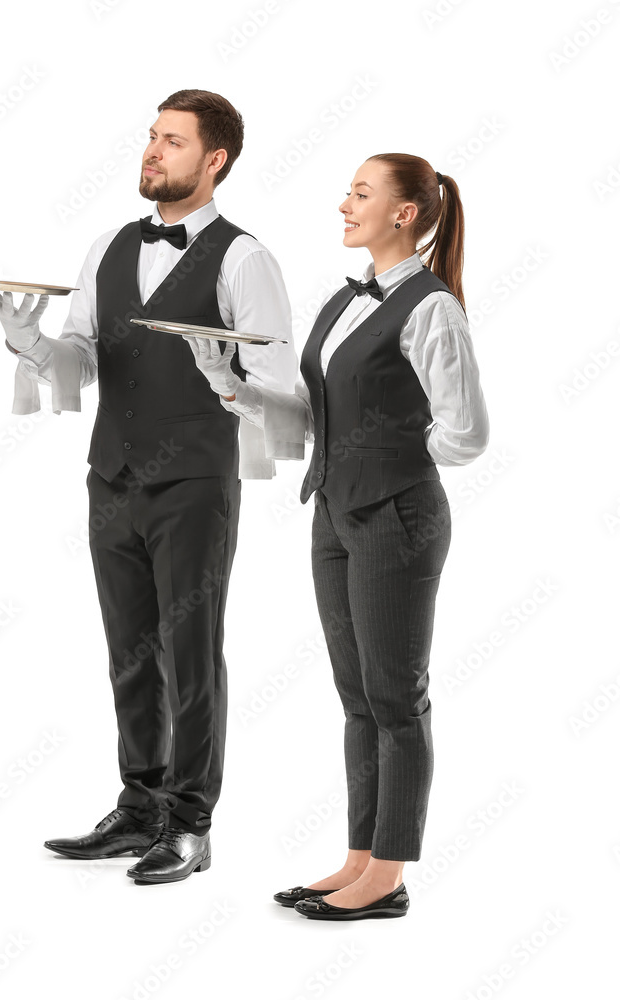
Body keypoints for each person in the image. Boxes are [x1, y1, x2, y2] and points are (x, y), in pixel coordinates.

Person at [0, 89, 297, 884]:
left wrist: (227, 378)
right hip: (112, 476)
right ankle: (139, 804)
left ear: (214, 159)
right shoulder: (108, 246)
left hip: (194, 480)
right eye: (152, 137)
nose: (153, 151)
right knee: (130, 650)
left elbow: (277, 383)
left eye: (173, 141)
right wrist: (29, 344)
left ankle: (191, 823)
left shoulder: (244, 258)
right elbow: (79, 359)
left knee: (191, 654)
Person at [184, 153, 489, 918]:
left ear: (404, 213)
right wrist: (229, 381)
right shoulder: (344, 299)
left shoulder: (430, 306)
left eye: (360, 193)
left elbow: (467, 434)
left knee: (396, 699)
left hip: (397, 515)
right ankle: (358, 857)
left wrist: (391, 457)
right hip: (332, 511)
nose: (343, 204)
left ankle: (387, 876)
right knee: (357, 699)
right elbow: (314, 420)